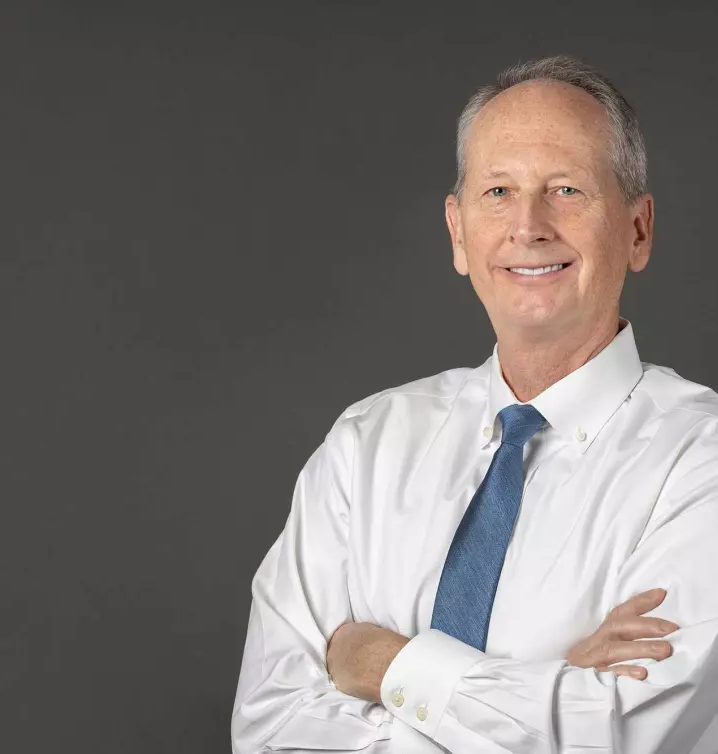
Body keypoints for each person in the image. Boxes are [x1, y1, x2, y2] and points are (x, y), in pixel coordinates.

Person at [230, 55, 718, 753]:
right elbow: (270, 726)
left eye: (567, 189)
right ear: (459, 233)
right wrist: (549, 689)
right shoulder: (367, 445)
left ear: (638, 230)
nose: (528, 225)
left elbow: (623, 737)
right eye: (497, 191)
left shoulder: (703, 464)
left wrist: (383, 664)